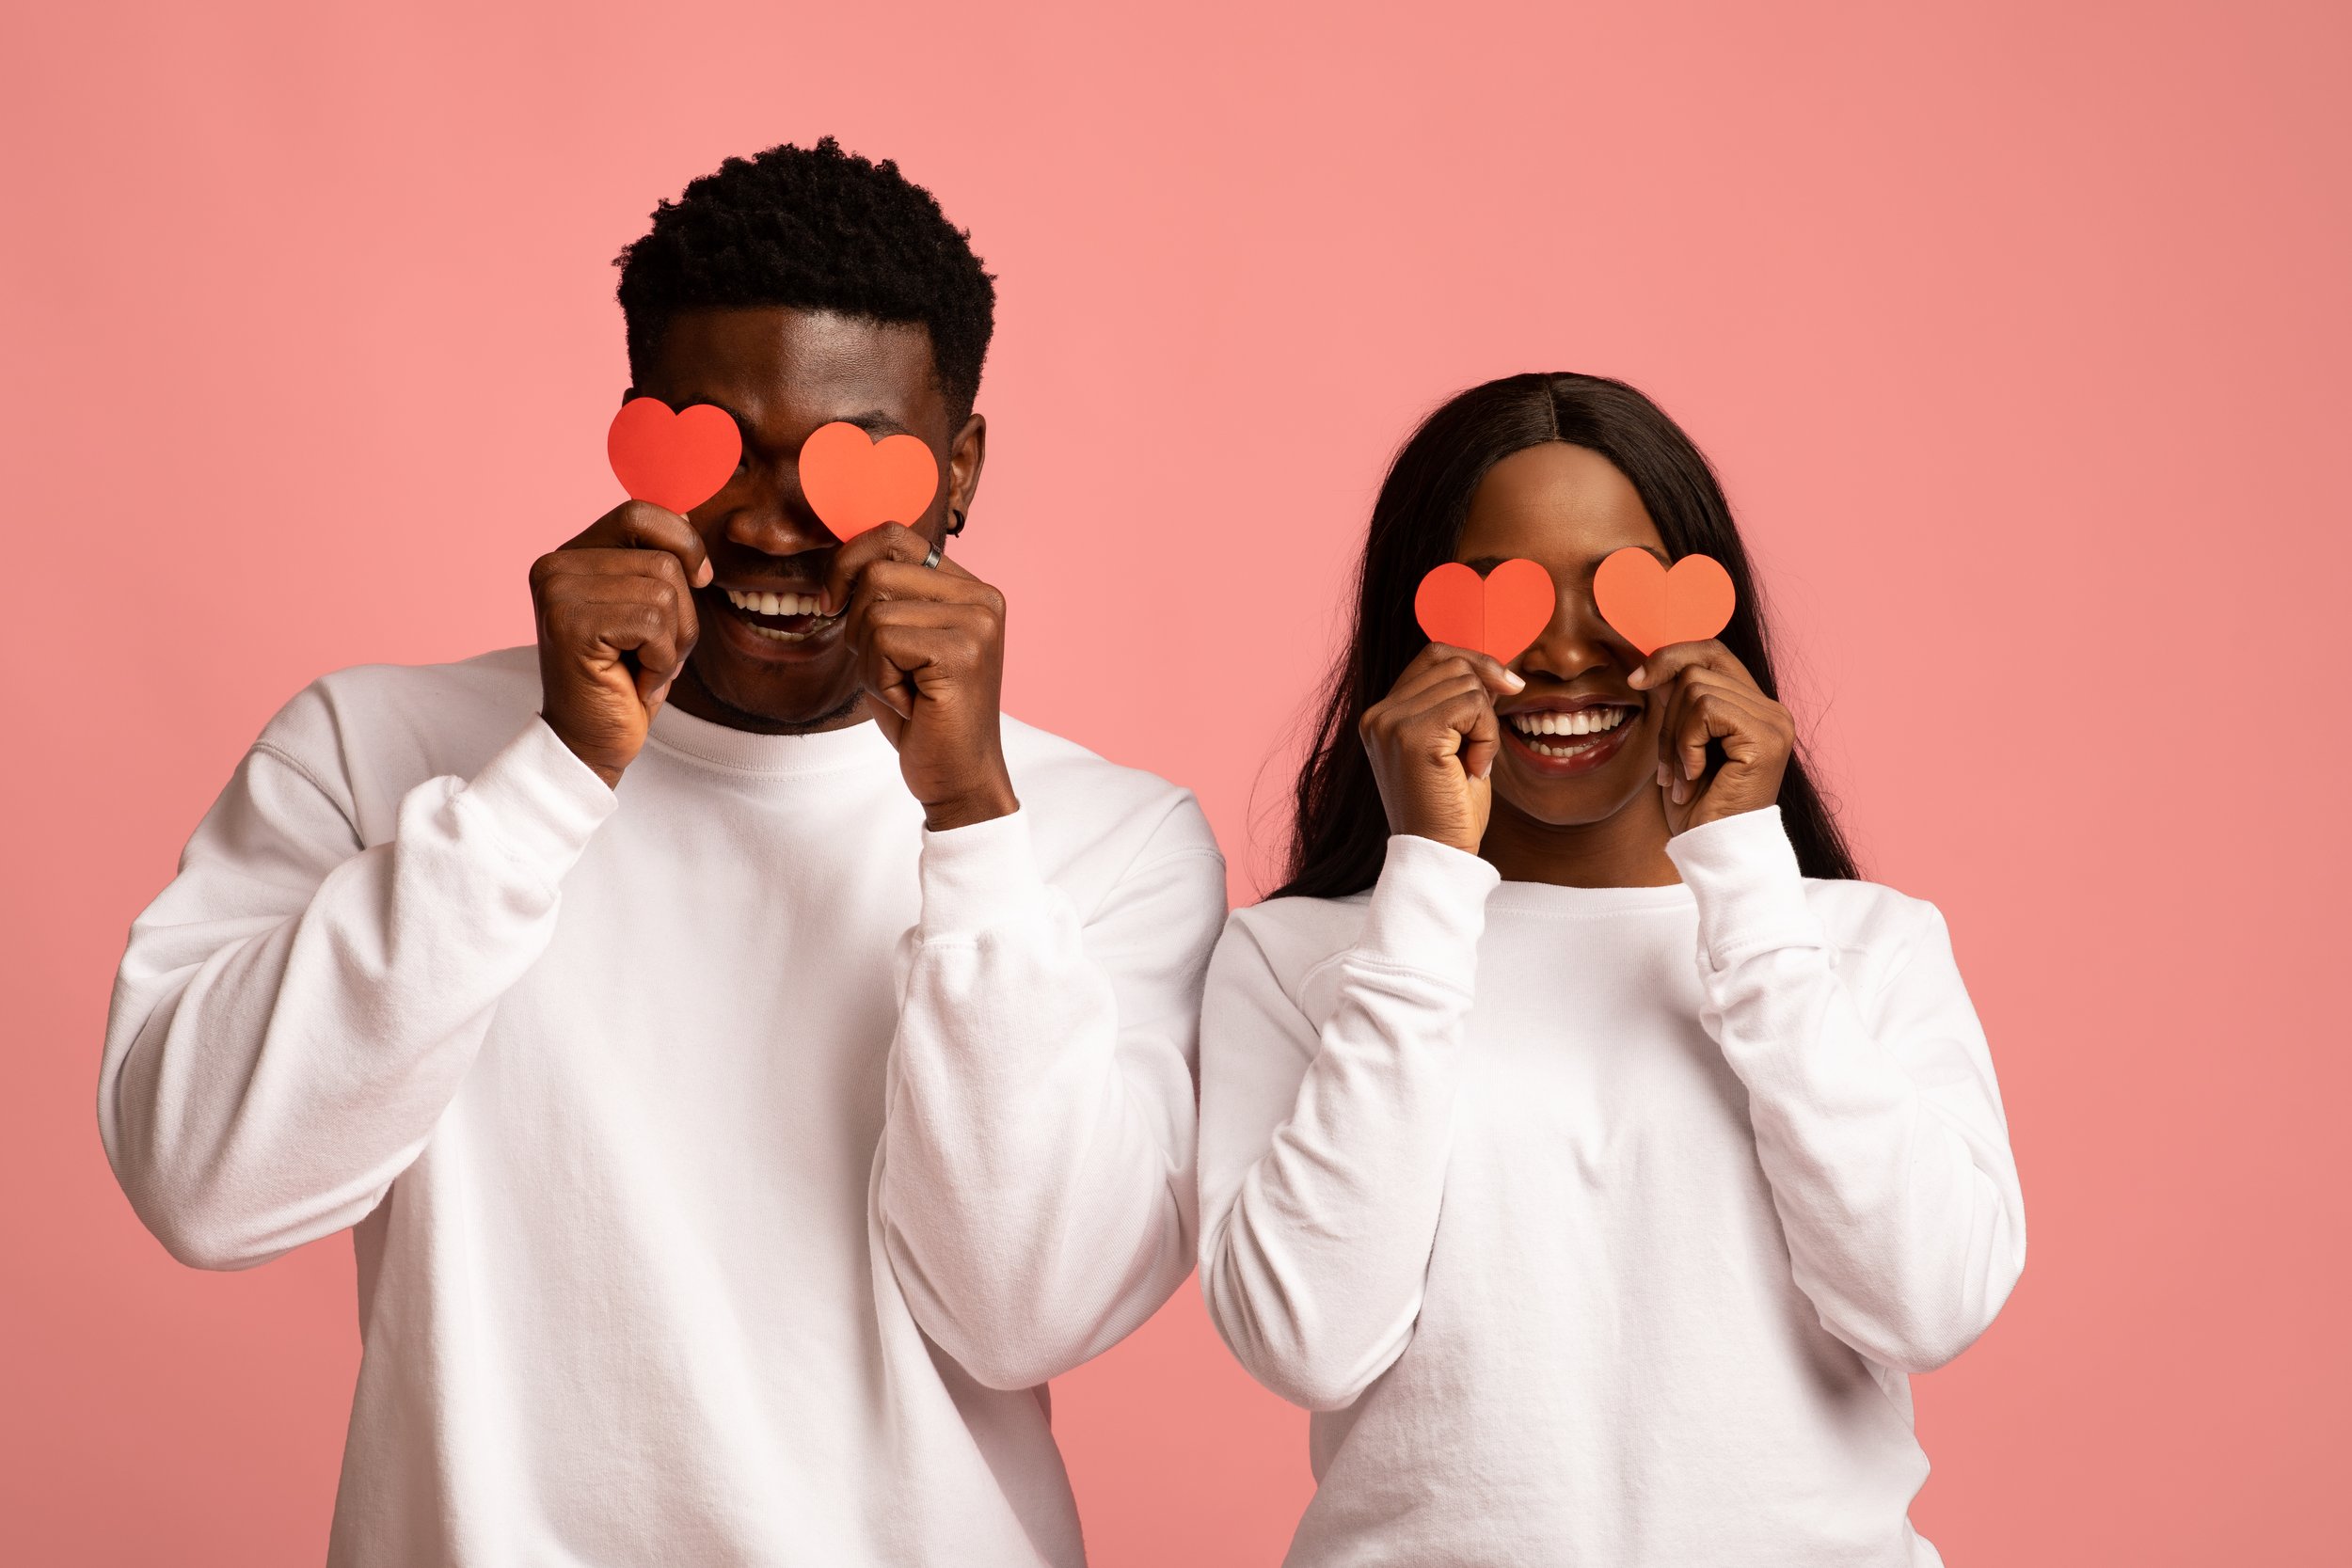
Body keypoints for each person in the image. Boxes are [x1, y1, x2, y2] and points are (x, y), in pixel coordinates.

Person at [99, 139, 1225, 1567]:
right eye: (714, 446)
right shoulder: (374, 749)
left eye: (848, 462)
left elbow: (1027, 1305)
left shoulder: (1106, 839)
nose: (772, 520)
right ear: (634, 434)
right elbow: (205, 1183)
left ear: (960, 472)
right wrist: (555, 771)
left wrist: (970, 822)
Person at [1196, 372, 2025, 1566]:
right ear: (1414, 627)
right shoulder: (1298, 961)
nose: (1565, 649)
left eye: (1620, 593)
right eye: (1503, 594)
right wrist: (1426, 880)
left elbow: (1927, 1300)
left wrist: (1741, 873)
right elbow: (1306, 1338)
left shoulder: (1862, 947)